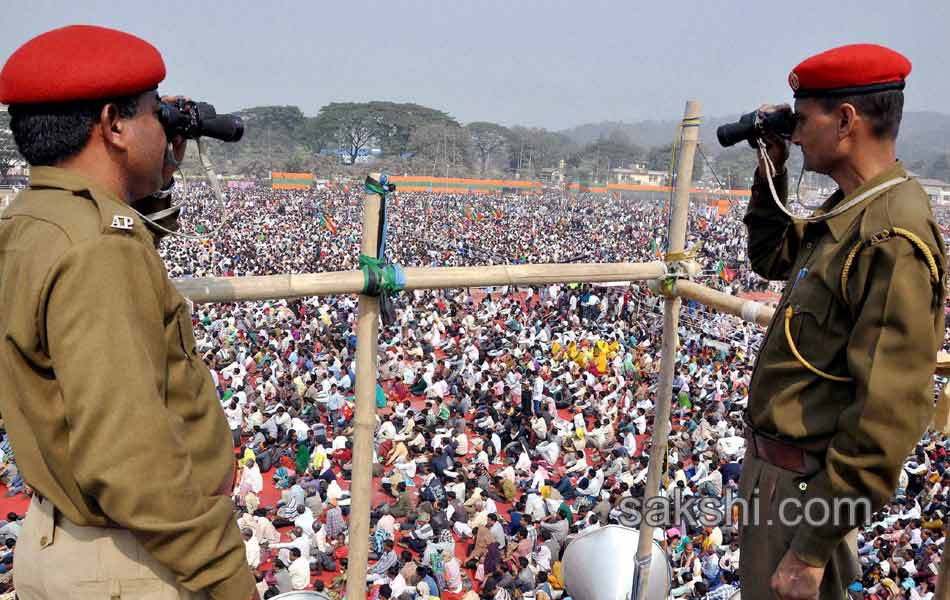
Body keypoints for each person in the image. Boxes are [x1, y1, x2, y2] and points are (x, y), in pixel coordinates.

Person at [0, 26, 256, 600]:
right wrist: (226, 577)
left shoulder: (35, 218)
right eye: (152, 114)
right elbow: (130, 458)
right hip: (128, 559)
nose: (161, 126)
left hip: (57, 541)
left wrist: (156, 173)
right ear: (114, 124)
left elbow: (115, 248)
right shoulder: (99, 248)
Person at [740, 44, 946, 600]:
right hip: (779, 482)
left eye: (804, 121)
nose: (799, 134)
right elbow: (771, 257)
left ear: (848, 121)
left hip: (808, 496)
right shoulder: (851, 209)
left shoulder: (891, 235)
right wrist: (772, 167)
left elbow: (885, 414)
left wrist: (810, 550)